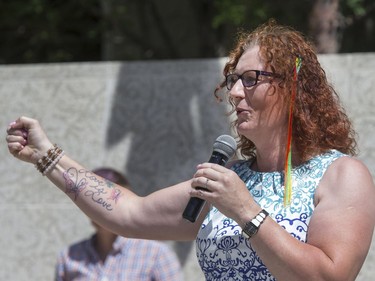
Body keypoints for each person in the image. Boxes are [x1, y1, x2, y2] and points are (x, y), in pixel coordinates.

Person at [6, 20, 375, 281]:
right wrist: (46, 155)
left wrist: (247, 212)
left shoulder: (340, 175)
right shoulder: (229, 181)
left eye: (251, 79)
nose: (234, 93)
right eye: (233, 80)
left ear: (293, 87)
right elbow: (126, 213)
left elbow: (328, 278)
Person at [54, 167, 184, 281]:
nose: (100, 212)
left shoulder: (156, 254)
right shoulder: (69, 256)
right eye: (92, 203)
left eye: (108, 204)